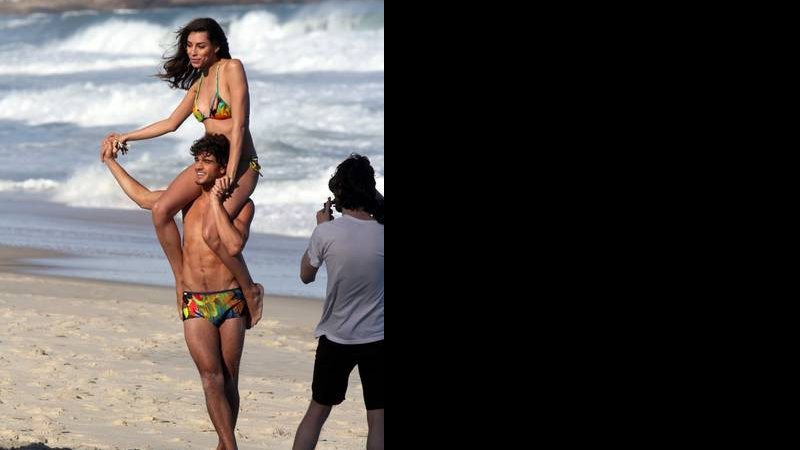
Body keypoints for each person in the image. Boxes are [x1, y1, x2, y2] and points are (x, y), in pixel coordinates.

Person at [102, 134, 263, 450]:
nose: (198, 167)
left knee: (229, 379)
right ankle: (230, 445)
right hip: (195, 301)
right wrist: (110, 162)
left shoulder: (242, 204)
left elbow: (233, 243)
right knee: (210, 377)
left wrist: (216, 203)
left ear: (223, 169)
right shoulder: (185, 200)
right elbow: (145, 198)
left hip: (230, 298)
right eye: (197, 161)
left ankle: (223, 443)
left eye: (207, 162)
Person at [103, 17, 262, 312]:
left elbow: (240, 125)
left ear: (216, 46)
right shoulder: (198, 85)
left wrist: (229, 172)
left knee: (214, 232)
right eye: (189, 46)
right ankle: (180, 280)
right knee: (161, 209)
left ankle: (250, 289)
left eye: (200, 45)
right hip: (210, 162)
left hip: (241, 165)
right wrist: (127, 136)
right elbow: (170, 123)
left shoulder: (232, 68)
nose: (193, 51)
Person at [292, 154, 385, 450]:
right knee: (379, 421)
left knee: (317, 411)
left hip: (336, 336)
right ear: (371, 191)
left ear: (338, 193)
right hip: (378, 337)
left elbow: (306, 275)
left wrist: (320, 226)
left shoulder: (326, 233)